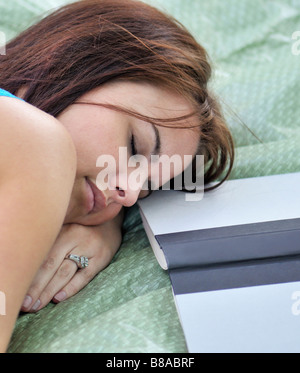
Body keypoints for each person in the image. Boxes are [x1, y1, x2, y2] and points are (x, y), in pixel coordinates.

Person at [0, 0, 234, 351]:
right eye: (134, 146)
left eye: (145, 191)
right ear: (72, 63)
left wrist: (108, 226)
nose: (127, 193)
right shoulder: (40, 143)